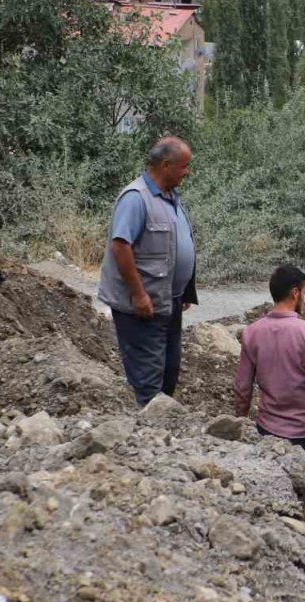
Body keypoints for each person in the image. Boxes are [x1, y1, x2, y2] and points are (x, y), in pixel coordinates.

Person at [97, 137, 198, 406]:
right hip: (144, 307)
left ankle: (161, 432)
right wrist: (138, 294)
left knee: (169, 371)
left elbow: (175, 246)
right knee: (149, 380)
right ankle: (150, 437)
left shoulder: (170, 197)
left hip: (169, 302)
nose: (188, 172)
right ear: (166, 165)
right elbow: (120, 247)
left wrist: (184, 289)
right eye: (184, 166)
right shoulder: (136, 198)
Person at [234, 265, 305, 456]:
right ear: (295, 293)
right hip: (303, 435)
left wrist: (239, 422)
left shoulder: (251, 332)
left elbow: (243, 387)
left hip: (266, 432)